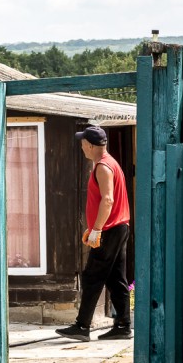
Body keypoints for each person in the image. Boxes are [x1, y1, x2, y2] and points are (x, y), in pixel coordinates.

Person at [56, 125, 133, 342]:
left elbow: (107, 200)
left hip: (109, 230)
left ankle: (82, 326)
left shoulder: (102, 167)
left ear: (90, 145)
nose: (81, 147)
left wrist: (97, 230)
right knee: (116, 278)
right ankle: (123, 326)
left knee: (92, 276)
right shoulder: (112, 163)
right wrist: (93, 227)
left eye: (82, 143)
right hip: (118, 227)